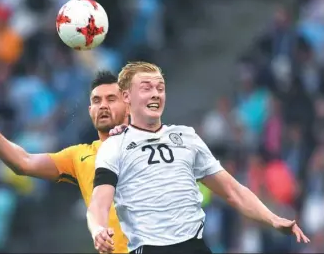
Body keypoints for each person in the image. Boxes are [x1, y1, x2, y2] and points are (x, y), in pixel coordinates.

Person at [86, 61, 310, 254]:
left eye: (160, 88)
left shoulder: (187, 137)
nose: (155, 93)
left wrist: (272, 218)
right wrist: (98, 229)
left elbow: (233, 191)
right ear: (126, 96)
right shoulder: (115, 145)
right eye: (146, 88)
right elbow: (99, 202)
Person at [0, 71, 130, 253]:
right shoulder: (79, 156)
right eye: (97, 101)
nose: (103, 106)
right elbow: (24, 162)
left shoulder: (155, 146)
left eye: (111, 99)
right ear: (90, 111)